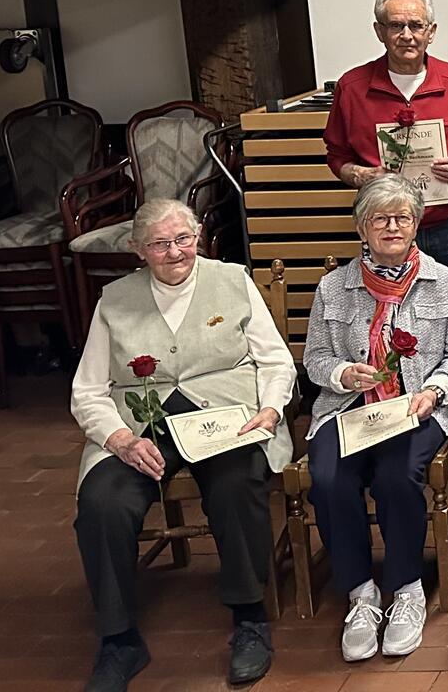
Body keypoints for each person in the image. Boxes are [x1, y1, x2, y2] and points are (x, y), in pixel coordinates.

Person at [70, 198, 294, 691]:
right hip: (140, 425)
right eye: (159, 244)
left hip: (225, 415)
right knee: (102, 502)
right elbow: (87, 391)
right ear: (137, 250)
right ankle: (118, 640)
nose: (175, 253)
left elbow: (276, 361)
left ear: (199, 238)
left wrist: (271, 409)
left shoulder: (233, 280)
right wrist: (120, 439)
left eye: (184, 239)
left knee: (236, 484)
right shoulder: (114, 300)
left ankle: (249, 617)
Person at [302, 175, 448, 662]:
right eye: (380, 218)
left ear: (417, 224)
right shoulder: (333, 286)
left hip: (417, 408)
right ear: (362, 228)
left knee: (397, 478)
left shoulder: (442, 282)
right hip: (348, 409)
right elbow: (314, 358)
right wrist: (341, 372)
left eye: (402, 217)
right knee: (329, 479)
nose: (392, 226)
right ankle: (361, 593)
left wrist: (434, 391)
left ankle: (406, 588)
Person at [322, 0, 448, 291]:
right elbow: (337, 156)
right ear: (379, 31)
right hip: (385, 228)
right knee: (388, 318)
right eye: (396, 26)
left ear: (431, 31)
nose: (407, 35)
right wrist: (360, 174)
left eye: (416, 25)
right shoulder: (352, 86)